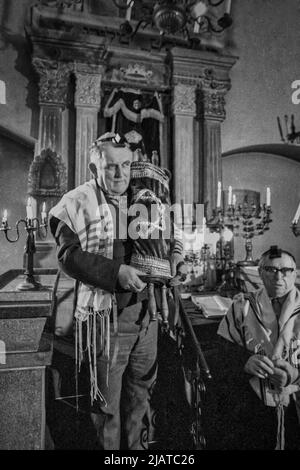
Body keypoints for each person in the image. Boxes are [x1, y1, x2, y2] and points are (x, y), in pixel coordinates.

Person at [48, 132, 184, 450]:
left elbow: (167, 236)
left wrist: (176, 255)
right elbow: (69, 257)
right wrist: (117, 273)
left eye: (126, 165)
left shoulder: (143, 195)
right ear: (95, 169)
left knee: (142, 395)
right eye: (111, 167)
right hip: (106, 319)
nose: (121, 174)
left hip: (146, 316)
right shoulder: (75, 202)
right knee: (105, 405)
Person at [217, 245, 300, 449]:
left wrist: (295, 374)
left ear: (295, 273)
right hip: (253, 402)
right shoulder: (242, 306)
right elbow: (221, 351)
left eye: (286, 270)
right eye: (270, 270)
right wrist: (244, 361)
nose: (278, 277)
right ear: (260, 274)